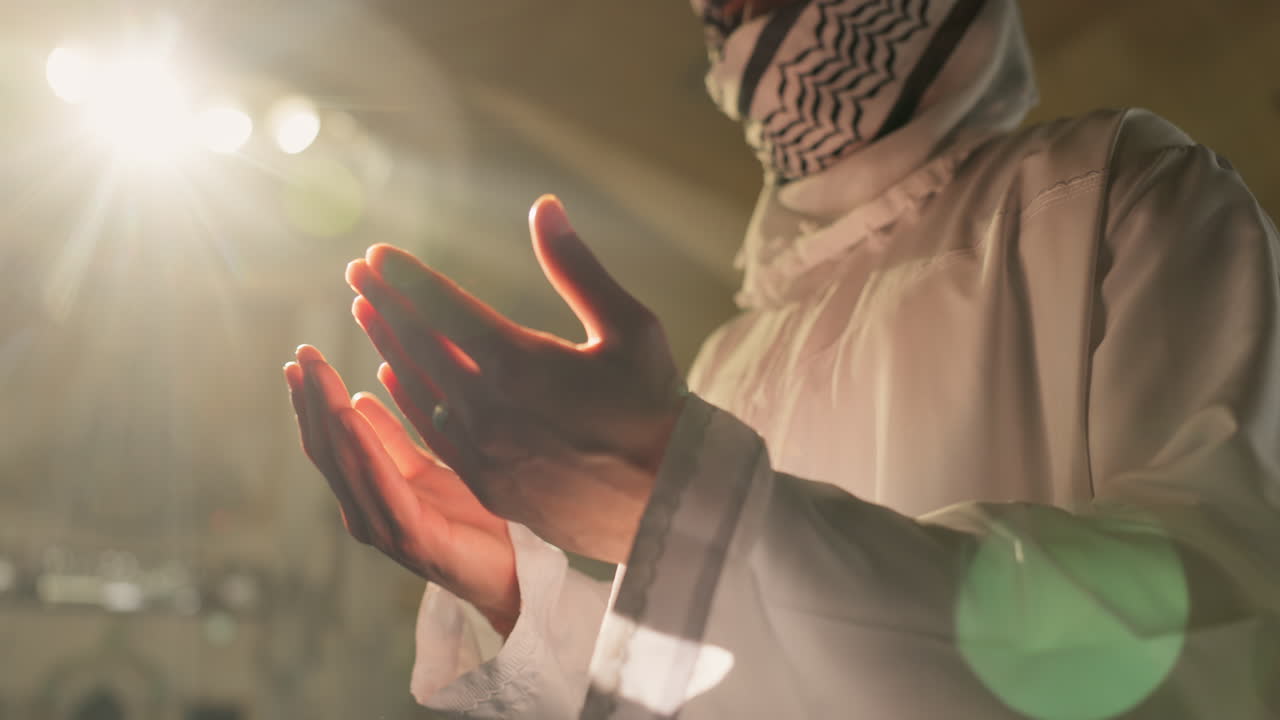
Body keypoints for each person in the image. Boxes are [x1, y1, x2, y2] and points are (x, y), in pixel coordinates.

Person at [284, 0, 1280, 717]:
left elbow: (1218, 629)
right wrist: (516, 596)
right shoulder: (732, 353)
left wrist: (691, 503)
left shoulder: (1119, 196)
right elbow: (716, 681)